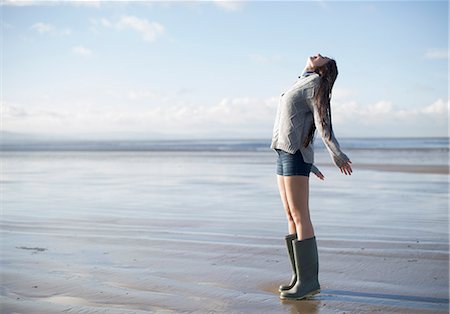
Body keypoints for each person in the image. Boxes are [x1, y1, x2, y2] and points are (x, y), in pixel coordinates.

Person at [270, 53, 353, 300]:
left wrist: (336, 154)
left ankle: (309, 282)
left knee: (300, 214)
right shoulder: (300, 82)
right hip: (284, 152)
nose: (317, 54)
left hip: (295, 154)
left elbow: (322, 122)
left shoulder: (316, 84)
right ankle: (298, 277)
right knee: (289, 215)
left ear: (324, 69)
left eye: (323, 57)